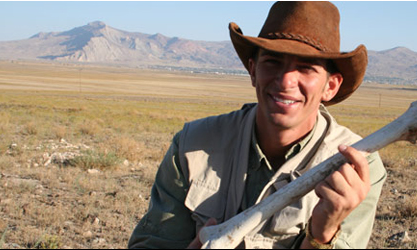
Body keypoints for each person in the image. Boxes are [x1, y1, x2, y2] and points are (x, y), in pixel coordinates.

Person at [128, 1, 386, 249]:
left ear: (330, 86)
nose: (285, 81)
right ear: (253, 71)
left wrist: (323, 234)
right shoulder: (191, 146)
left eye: (306, 68)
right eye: (273, 62)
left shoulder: (357, 168)